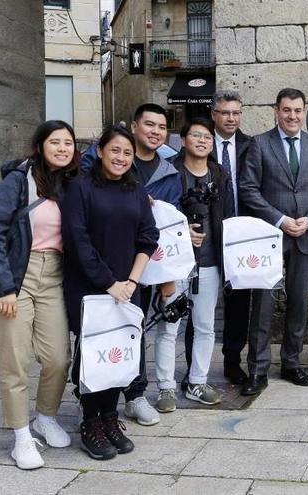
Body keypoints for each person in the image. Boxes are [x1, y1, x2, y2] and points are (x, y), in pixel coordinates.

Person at [0, 120, 78, 470]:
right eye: (55, 142)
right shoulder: (18, 181)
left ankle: (45, 417)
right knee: (15, 361)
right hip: (15, 276)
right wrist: (3, 286)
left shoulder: (70, 182)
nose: (62, 148)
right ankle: (21, 436)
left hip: (53, 276)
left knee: (57, 357)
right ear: (40, 145)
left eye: (68, 143)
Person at [62, 125, 158, 460]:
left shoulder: (135, 189)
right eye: (114, 150)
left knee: (119, 352)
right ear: (100, 152)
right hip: (89, 287)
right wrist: (109, 283)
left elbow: (148, 237)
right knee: (93, 355)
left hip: (127, 287)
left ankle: (110, 416)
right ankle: (91, 422)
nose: (120, 157)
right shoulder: (80, 187)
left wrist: (130, 283)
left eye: (127, 153)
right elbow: (78, 242)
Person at [238, 88, 308, 395]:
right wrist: (280, 219)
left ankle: (292, 363)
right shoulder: (260, 144)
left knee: (297, 302)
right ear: (276, 111)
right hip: (269, 236)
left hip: (305, 235)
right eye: (286, 110)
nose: (292, 116)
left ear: (303, 112)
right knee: (263, 305)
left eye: (297, 110)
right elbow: (248, 189)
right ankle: (257, 370)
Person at [158, 117, 235, 407]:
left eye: (208, 137)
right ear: (184, 140)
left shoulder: (219, 173)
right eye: (196, 135)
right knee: (169, 325)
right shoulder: (170, 172)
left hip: (209, 260)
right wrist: (181, 233)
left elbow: (226, 214)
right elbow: (160, 214)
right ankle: (165, 386)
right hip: (175, 262)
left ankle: (197, 382)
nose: (203, 140)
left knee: (205, 326)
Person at [122, 103, 181, 423]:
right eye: (149, 125)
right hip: (113, 261)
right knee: (110, 329)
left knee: (138, 328)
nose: (156, 131)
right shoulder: (114, 159)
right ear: (134, 126)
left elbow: (169, 228)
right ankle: (93, 398)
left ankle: (135, 395)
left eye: (162, 127)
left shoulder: (169, 172)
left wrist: (167, 276)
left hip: (148, 262)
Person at [210, 89, 253, 386]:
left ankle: (232, 361)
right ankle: (194, 366)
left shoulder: (252, 146)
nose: (231, 118)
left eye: (236, 113)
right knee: (202, 302)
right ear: (214, 114)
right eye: (225, 112)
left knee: (239, 301)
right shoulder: (200, 143)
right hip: (210, 234)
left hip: (243, 234)